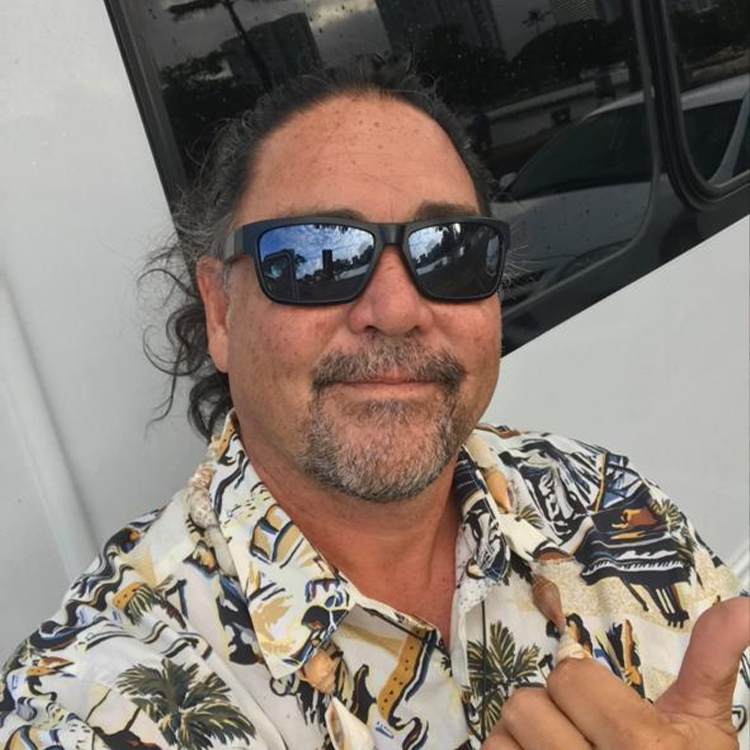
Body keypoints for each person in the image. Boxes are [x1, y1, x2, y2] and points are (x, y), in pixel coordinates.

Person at [1, 57, 747, 750]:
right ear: (221, 312)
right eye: (317, 256)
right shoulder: (89, 701)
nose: (395, 309)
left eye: (450, 250)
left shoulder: (608, 502)